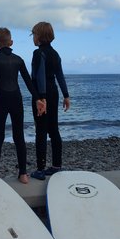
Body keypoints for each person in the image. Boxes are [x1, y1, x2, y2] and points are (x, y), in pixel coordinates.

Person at [0, 27, 45, 184]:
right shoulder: (19, 59)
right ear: (11, 42)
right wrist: (38, 98)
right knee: (19, 136)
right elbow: (28, 81)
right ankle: (23, 174)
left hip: (1, 99)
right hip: (16, 99)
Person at [30, 22, 70, 181]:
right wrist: (66, 95)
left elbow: (39, 76)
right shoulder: (55, 53)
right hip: (54, 93)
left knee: (40, 131)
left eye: (33, 34)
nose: (32, 37)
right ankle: (56, 166)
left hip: (42, 94)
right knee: (53, 129)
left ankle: (40, 169)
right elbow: (60, 75)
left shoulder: (38, 53)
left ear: (39, 36)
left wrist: (41, 98)